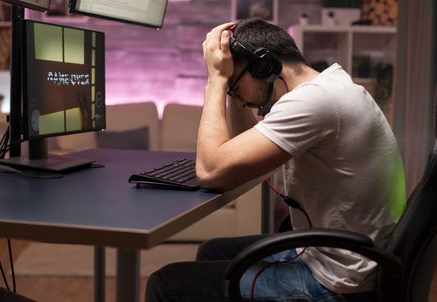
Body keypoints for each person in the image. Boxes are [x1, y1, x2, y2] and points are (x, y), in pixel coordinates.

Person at [145, 18, 406, 301]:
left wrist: (217, 81)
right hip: (343, 256)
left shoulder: (314, 102)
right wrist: (234, 86)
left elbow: (211, 171)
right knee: (212, 251)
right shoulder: (330, 87)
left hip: (338, 282)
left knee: (165, 284)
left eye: (237, 87)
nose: (242, 101)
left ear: (264, 66)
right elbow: (240, 156)